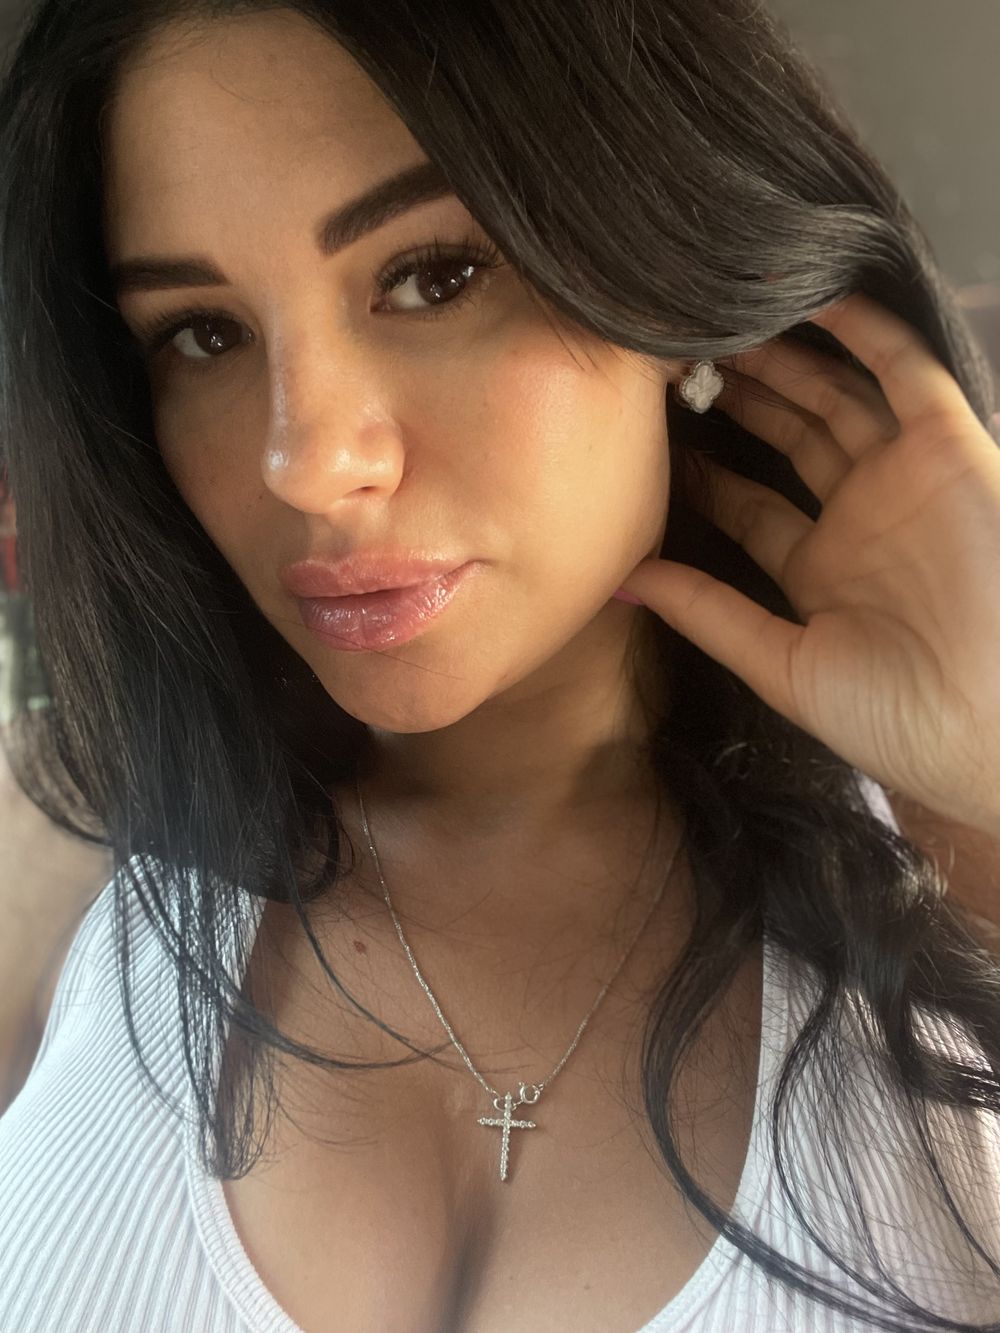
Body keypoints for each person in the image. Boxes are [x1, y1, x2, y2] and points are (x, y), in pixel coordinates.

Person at [1, 1, 999, 1329]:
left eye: (432, 275)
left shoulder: (962, 880)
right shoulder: (96, 881)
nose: (306, 462)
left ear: (668, 297)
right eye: (204, 333)